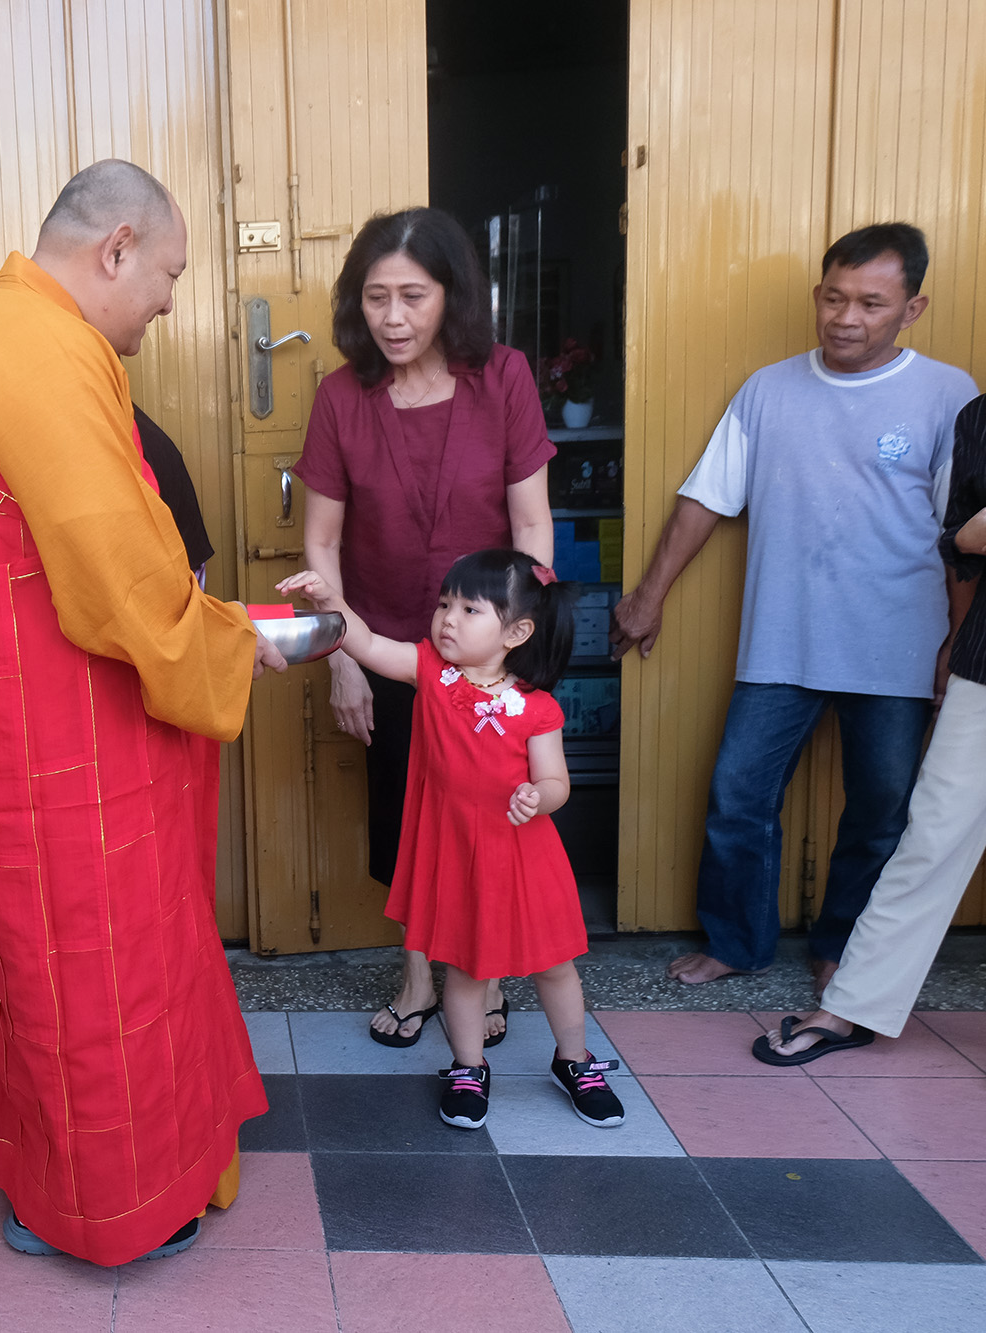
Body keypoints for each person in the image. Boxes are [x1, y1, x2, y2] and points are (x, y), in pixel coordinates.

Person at [0, 159, 283, 1267]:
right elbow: (113, 568)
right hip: (51, 730)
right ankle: (104, 1200)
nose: (168, 301)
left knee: (63, 959)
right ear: (114, 247)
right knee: (90, 963)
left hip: (31, 710)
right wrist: (222, 644)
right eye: (165, 274)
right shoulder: (29, 345)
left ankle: (72, 1172)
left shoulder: (22, 332)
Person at [611, 223, 979, 987]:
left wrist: (957, 640)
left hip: (898, 645)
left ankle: (843, 949)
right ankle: (736, 942)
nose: (847, 318)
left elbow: (963, 534)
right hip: (782, 638)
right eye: (836, 298)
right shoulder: (768, 389)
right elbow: (704, 501)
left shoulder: (949, 394)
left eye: (872, 304)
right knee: (739, 794)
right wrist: (648, 596)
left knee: (882, 808)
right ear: (818, 295)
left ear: (912, 308)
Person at [294, 207, 555, 1050]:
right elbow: (322, 540)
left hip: (489, 659)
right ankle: (419, 975)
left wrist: (518, 658)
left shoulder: (504, 377)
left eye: (414, 295)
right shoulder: (341, 397)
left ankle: (487, 973)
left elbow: (532, 530)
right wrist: (341, 660)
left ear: (453, 295)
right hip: (391, 650)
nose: (394, 318)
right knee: (412, 820)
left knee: (488, 820)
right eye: (376, 298)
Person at [281, 552, 624, 1131]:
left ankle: (575, 1059)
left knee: (556, 967)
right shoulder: (428, 672)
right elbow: (363, 642)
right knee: (464, 970)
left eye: (469, 609)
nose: (447, 618)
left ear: (516, 632)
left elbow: (556, 782)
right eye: (444, 603)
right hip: (461, 856)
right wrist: (326, 599)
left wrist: (539, 797)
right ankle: (468, 1067)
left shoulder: (536, 708)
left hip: (525, 857)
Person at [756, 391, 986, 1063]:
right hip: (983, 660)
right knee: (932, 836)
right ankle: (851, 1007)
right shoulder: (981, 417)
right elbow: (965, 538)